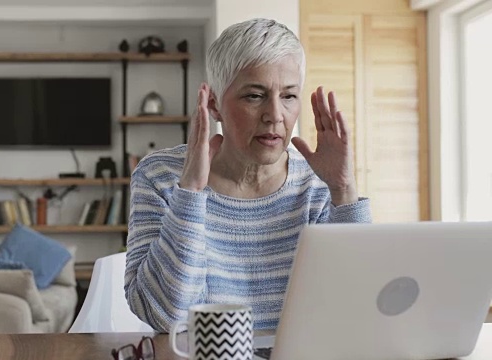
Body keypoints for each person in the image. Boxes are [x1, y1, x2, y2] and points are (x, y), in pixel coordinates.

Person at [124, 18, 371, 332]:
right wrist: (190, 194)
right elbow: (165, 316)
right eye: (255, 96)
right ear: (214, 105)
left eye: (289, 96)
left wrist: (344, 189)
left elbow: (358, 306)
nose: (275, 115)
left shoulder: (319, 183)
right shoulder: (160, 175)